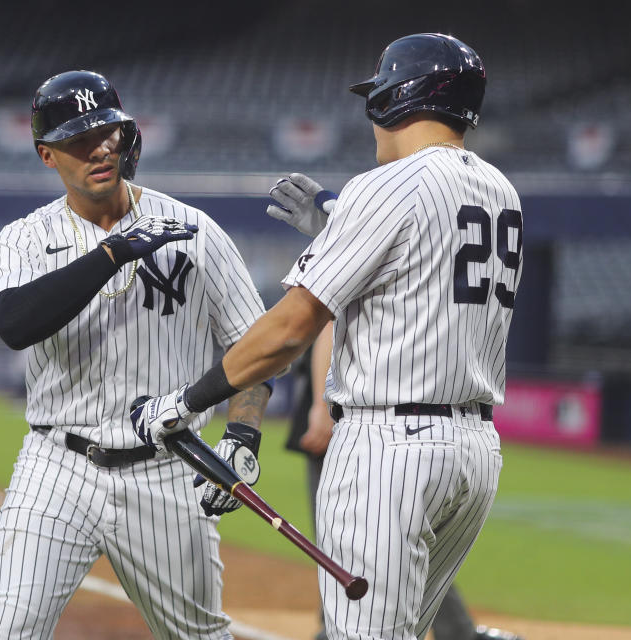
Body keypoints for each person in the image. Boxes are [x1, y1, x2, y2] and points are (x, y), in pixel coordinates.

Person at [130, 33, 523, 640]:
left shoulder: (384, 185)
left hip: (389, 447)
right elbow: (418, 266)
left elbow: (289, 330)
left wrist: (184, 403)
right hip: (473, 455)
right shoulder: (502, 192)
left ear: (398, 98)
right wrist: (342, 227)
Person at [0, 69, 272, 640]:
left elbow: (255, 349)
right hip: (56, 467)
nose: (98, 148)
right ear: (47, 156)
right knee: (8, 631)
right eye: (77, 141)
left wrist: (243, 436)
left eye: (106, 132)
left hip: (166, 467)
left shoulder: (197, 231)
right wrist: (112, 252)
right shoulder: (23, 238)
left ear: (126, 136)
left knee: (199, 635)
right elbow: (14, 323)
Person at [288, 329, 522, 640]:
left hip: (368, 416)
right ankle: (454, 631)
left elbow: (326, 324)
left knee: (378, 547)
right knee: (395, 546)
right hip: (404, 418)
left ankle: (343, 629)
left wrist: (319, 406)